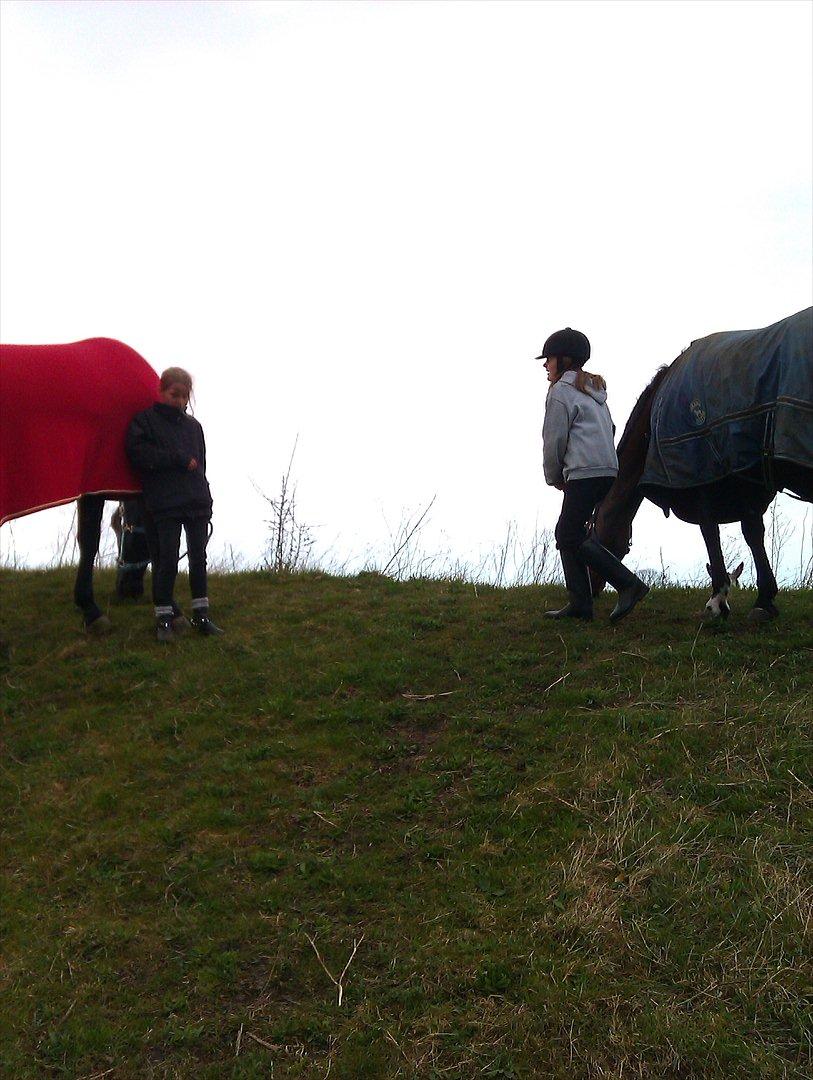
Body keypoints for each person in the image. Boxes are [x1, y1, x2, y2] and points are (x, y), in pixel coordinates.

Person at [538, 327, 649, 622]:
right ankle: (580, 603)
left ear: (563, 360)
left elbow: (555, 439)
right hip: (607, 470)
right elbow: (610, 429)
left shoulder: (561, 391)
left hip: (584, 472)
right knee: (571, 533)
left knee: (567, 533)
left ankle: (628, 585)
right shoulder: (594, 392)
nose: (545, 365)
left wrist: (554, 475)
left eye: (548, 359)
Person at [126, 367, 224, 641]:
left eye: (184, 396)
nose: (179, 401)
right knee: (167, 560)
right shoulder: (144, 422)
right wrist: (177, 458)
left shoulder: (194, 427)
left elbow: (201, 465)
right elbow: (138, 454)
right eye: (174, 394)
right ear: (161, 391)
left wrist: (206, 497)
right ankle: (164, 619)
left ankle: (201, 615)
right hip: (164, 503)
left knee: (198, 559)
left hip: (196, 502)